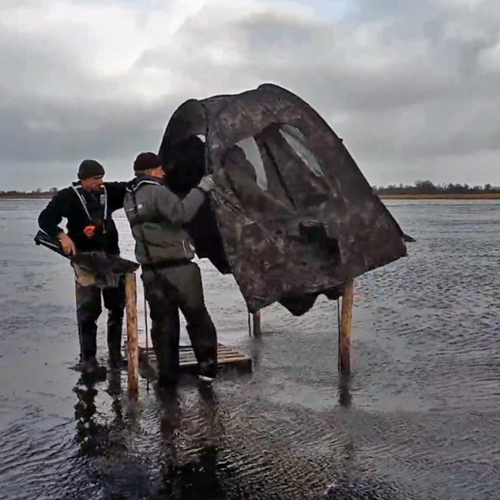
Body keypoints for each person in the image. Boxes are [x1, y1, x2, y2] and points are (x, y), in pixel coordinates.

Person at [123, 151, 217, 388]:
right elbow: (181, 214)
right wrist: (202, 188)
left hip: (151, 272)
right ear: (152, 171)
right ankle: (207, 370)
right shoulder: (157, 191)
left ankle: (167, 375)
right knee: (197, 318)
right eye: (160, 169)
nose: (164, 173)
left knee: (163, 324)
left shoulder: (130, 197)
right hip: (179, 269)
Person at [38, 159, 128, 376]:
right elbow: (45, 220)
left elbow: (133, 186)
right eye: (96, 179)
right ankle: (88, 359)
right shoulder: (67, 197)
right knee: (89, 309)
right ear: (83, 179)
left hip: (111, 256)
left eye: (102, 177)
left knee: (117, 306)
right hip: (85, 259)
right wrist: (63, 237)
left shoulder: (109, 192)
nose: (101, 182)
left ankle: (116, 357)